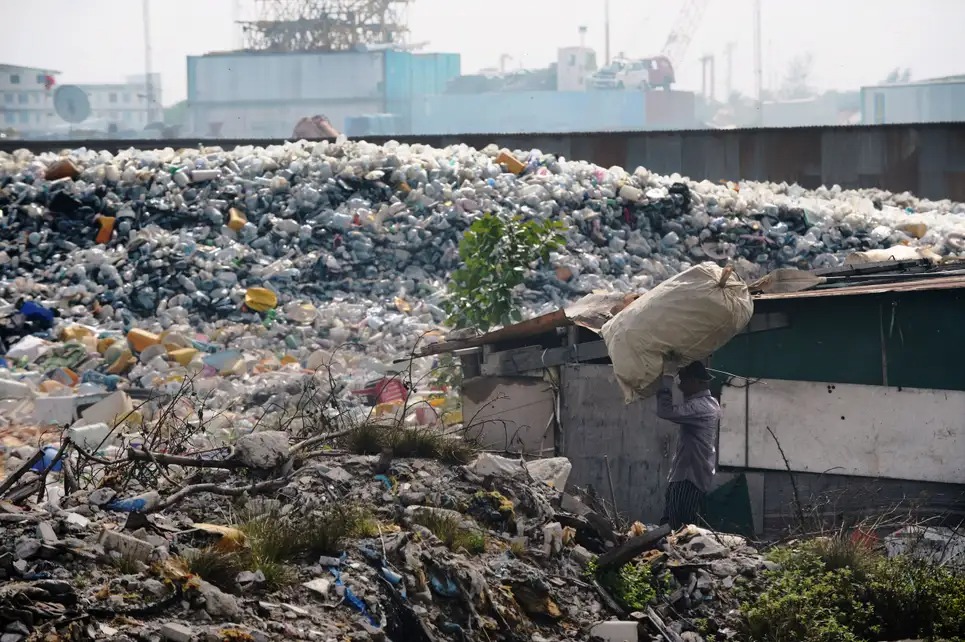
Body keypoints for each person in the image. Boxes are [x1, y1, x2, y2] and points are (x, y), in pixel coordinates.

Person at [656, 360, 721, 529]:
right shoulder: (708, 404)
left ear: (696, 382)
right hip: (686, 474)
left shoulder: (701, 407)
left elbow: (665, 411)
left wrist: (667, 380)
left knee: (678, 527)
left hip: (689, 477)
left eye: (683, 380)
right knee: (673, 524)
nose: (680, 385)